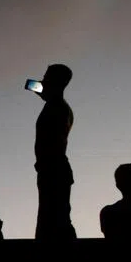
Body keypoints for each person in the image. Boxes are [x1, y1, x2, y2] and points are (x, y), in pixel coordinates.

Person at [33, 63, 77, 241]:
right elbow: (33, 86)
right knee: (52, 217)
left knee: (54, 220)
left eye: (46, 77)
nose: (42, 81)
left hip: (54, 169)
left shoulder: (58, 106)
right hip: (51, 168)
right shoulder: (57, 104)